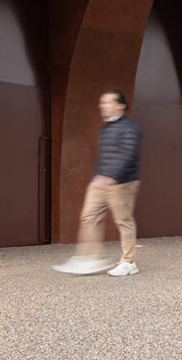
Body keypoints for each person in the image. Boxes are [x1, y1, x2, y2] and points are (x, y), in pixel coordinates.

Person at [53, 90, 143, 276]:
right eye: (102, 103)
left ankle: (128, 262)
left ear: (120, 106)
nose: (102, 106)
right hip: (101, 181)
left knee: (123, 220)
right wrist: (96, 178)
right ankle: (91, 257)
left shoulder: (130, 128)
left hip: (123, 182)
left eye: (107, 103)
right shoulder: (105, 129)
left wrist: (110, 176)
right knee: (88, 217)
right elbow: (103, 159)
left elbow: (128, 154)